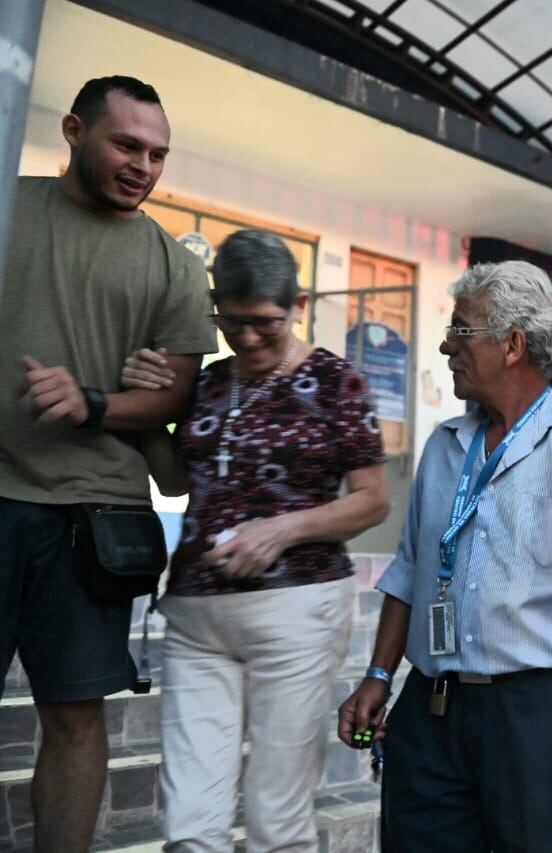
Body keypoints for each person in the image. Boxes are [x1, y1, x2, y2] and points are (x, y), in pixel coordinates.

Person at [337, 260, 552, 852]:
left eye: (460, 330)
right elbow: (411, 569)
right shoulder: (444, 445)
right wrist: (378, 675)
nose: (445, 345)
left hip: (538, 715)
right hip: (432, 707)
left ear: (513, 345)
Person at [0, 76, 218, 853]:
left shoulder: (175, 266)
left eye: (157, 154)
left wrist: (94, 402)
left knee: (74, 714)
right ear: (73, 131)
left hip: (97, 517)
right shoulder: (10, 206)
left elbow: (175, 396)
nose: (143, 166)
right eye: (127, 145)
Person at [120, 229, 390, 852]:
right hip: (196, 616)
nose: (245, 338)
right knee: (190, 821)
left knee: (277, 816)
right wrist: (147, 409)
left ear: (298, 305)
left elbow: (372, 499)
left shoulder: (337, 381)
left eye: (264, 322)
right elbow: (174, 480)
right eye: (230, 320)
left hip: (296, 613)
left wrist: (283, 528)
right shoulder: (210, 382)